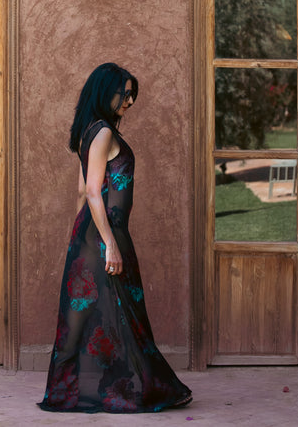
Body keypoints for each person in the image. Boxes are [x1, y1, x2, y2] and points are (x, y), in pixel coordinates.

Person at [38, 62, 192, 413]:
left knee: (97, 313)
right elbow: (93, 192)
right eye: (125, 93)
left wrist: (75, 238)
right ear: (106, 91)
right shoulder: (103, 131)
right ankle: (139, 388)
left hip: (90, 235)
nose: (130, 101)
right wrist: (108, 243)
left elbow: (80, 192)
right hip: (104, 235)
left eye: (132, 95)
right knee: (123, 313)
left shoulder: (89, 130)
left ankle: (68, 392)